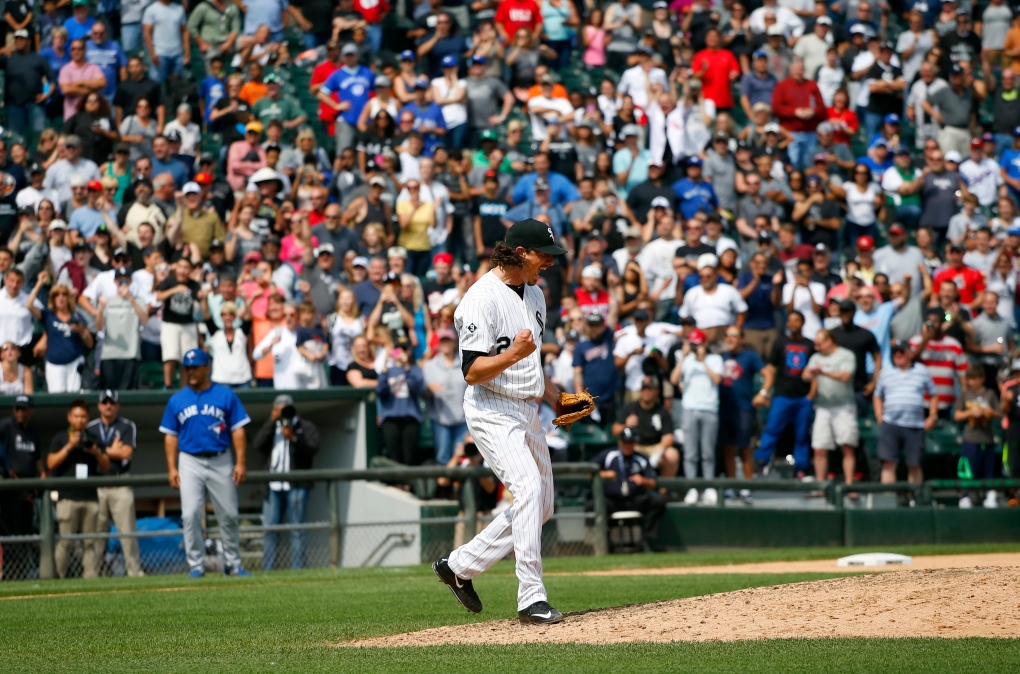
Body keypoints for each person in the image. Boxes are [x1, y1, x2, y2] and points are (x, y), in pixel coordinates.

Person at [433, 218, 567, 625]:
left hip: (529, 407)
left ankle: (458, 566)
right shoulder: (479, 299)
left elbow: (531, 365)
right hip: (492, 408)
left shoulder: (536, 295)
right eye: (544, 255)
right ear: (521, 253)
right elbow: (472, 371)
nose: (550, 262)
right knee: (527, 489)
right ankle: (531, 597)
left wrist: (555, 398)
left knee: (541, 506)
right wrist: (513, 355)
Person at [160, 348, 251, 577]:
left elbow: (239, 430)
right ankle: (196, 564)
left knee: (228, 514)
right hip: (189, 460)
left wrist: (240, 462)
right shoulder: (177, 399)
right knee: (190, 514)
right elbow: (170, 436)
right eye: (187, 368)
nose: (190, 371)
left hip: (220, 458)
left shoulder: (225, 394)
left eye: (195, 367)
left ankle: (232, 563)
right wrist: (171, 467)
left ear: (206, 368)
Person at [254, 394, 321, 570]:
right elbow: (258, 445)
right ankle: (267, 570)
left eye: (285, 409)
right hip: (272, 485)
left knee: (297, 530)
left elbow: (313, 449)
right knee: (269, 530)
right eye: (278, 409)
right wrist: (271, 421)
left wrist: (294, 438)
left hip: (296, 485)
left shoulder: (305, 427)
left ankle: (298, 570)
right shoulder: (272, 427)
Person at [49, 398, 110, 579]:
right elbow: (51, 463)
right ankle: (57, 577)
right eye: (76, 416)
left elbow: (106, 466)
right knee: (66, 541)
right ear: (69, 417)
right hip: (67, 497)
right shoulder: (61, 438)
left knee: (90, 542)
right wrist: (69, 446)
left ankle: (90, 578)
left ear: (87, 418)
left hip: (90, 497)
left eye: (83, 416)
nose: (79, 420)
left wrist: (95, 452)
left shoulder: (94, 439)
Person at [84, 389, 143, 577]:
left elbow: (126, 453)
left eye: (112, 402)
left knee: (127, 531)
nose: (108, 406)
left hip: (120, 482)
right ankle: (92, 574)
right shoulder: (90, 427)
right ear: (99, 405)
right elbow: (86, 451)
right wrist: (111, 450)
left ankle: (134, 571)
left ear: (117, 405)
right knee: (97, 533)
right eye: (105, 402)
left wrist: (99, 450)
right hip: (98, 484)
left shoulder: (127, 426)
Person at [753, 311, 815, 474]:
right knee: (772, 429)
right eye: (790, 320)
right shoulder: (780, 342)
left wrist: (811, 395)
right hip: (782, 395)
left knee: (801, 434)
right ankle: (761, 461)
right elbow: (771, 368)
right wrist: (765, 392)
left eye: (797, 320)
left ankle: (801, 466)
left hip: (803, 397)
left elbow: (816, 372)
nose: (793, 324)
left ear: (803, 323)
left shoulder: (810, 345)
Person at [873, 340, 938, 490]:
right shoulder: (885, 372)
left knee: (914, 464)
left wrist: (933, 416)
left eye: (901, 351)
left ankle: (916, 501)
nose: (898, 354)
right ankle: (888, 500)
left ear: (909, 353)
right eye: (895, 351)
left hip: (915, 425)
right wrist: (878, 415)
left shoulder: (922, 370)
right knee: (888, 463)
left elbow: (934, 394)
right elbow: (877, 396)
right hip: (890, 424)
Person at [673, 328, 724, 505]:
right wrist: (684, 357)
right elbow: (673, 379)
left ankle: (709, 487)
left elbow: (717, 379)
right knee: (690, 453)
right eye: (693, 344)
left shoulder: (715, 359)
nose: (695, 348)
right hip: (689, 409)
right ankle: (692, 488)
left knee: (708, 452)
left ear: (705, 344)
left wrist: (703, 361)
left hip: (709, 409)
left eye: (698, 344)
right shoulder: (686, 361)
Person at [803, 329, 858, 491]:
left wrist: (823, 372)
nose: (817, 347)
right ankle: (821, 486)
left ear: (829, 341)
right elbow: (805, 376)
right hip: (823, 407)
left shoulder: (846, 355)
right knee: (819, 448)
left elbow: (845, 376)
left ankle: (849, 486)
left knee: (847, 446)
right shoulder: (816, 357)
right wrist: (811, 372)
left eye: (819, 344)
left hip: (844, 406)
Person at [593, 426, 666, 544]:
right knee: (593, 505)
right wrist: (604, 474)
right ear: (620, 442)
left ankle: (648, 540)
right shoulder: (609, 455)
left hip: (634, 500)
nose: (627, 445)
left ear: (635, 443)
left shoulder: (640, 459)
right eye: (625, 442)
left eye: (630, 442)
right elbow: (588, 471)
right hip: (613, 500)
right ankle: (602, 543)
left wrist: (643, 481)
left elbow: (653, 483)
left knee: (658, 501)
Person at [0, 395, 42, 578]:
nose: (20, 412)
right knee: (11, 533)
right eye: (17, 408)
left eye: (24, 409)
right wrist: (6, 469)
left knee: (27, 532)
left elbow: (37, 458)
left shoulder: (32, 432)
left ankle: (23, 572)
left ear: (31, 410)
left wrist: (43, 477)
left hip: (28, 490)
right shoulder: (6, 426)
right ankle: (10, 572)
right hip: (10, 491)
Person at [954, 364, 1001, 509]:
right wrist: (971, 413)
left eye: (975, 378)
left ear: (982, 378)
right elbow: (956, 415)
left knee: (988, 470)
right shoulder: (965, 394)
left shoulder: (990, 394)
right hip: (970, 439)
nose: (971, 382)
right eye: (970, 379)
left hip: (987, 439)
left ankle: (990, 495)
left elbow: (999, 414)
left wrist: (988, 412)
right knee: (968, 471)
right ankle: (965, 496)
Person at [423, 329, 468, 464]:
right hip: (440, 419)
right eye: (443, 341)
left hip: (463, 419)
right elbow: (423, 393)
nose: (445, 344)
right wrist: (428, 389)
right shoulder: (430, 366)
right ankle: (444, 484)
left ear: (455, 343)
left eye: (448, 341)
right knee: (442, 456)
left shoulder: (464, 363)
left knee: (462, 456)